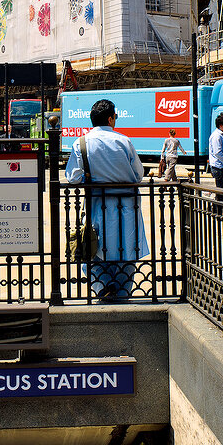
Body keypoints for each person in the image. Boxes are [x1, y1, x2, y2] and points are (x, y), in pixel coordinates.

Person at [65, 99, 147, 300]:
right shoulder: (124, 141)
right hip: (127, 208)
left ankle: (102, 287)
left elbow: (73, 178)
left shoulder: (81, 143)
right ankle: (122, 295)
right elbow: (138, 174)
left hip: (97, 208)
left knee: (92, 255)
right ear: (111, 119)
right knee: (127, 255)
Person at [208, 112, 223, 189]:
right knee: (221, 189)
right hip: (218, 167)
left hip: (222, 165)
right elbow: (217, 153)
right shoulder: (216, 136)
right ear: (221, 125)